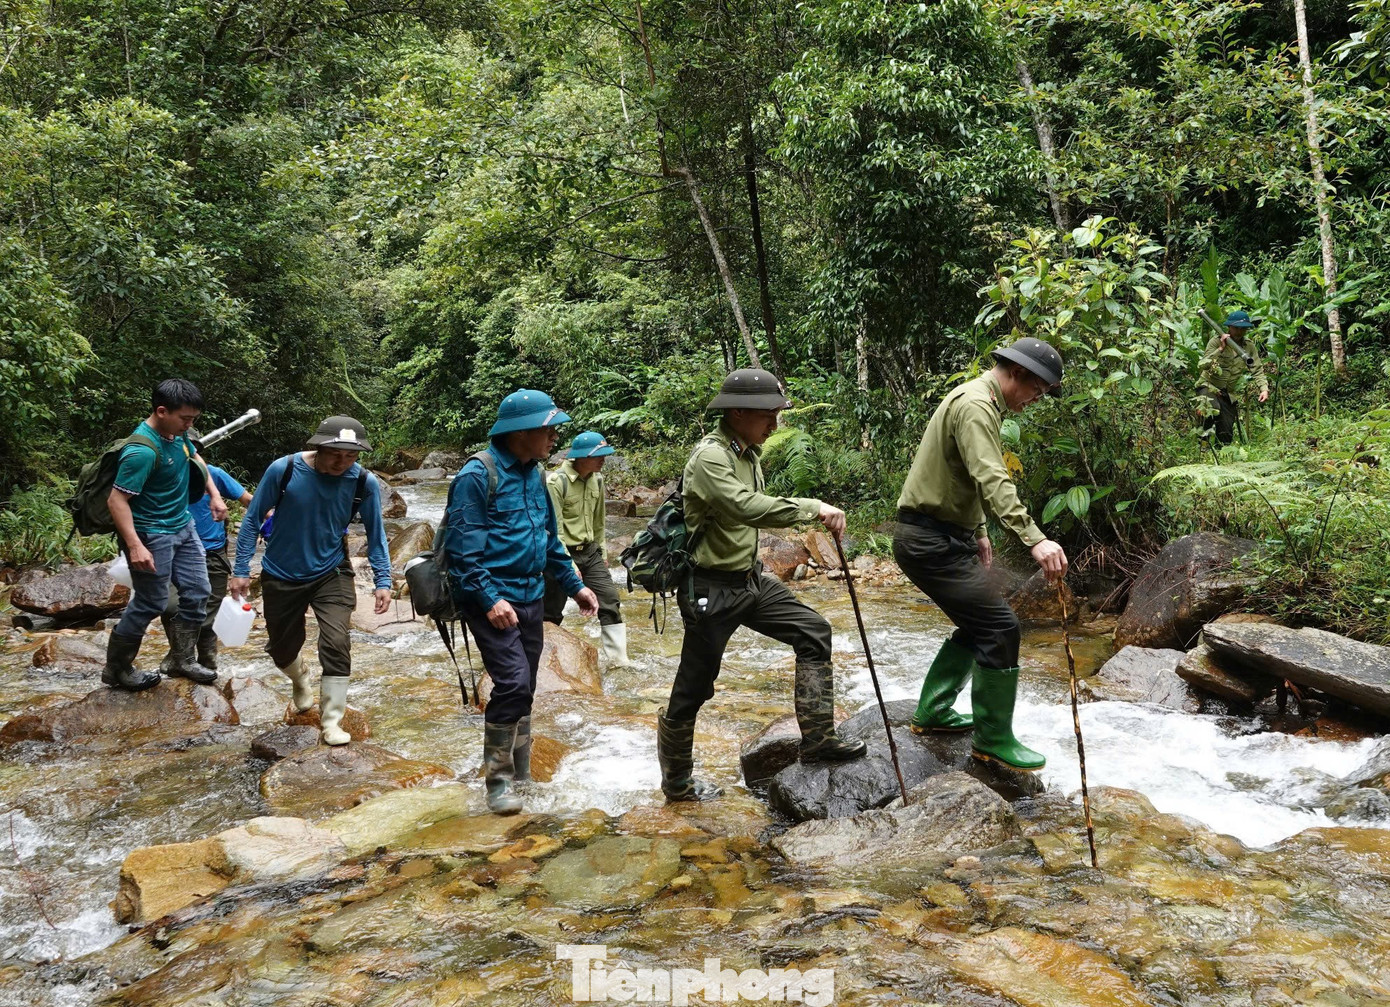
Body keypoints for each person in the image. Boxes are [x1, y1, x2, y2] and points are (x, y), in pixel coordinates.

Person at [659, 368, 866, 805]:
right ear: (737, 412)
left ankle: (818, 741)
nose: (774, 424)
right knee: (694, 688)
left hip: (750, 580)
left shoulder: (747, 452)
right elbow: (745, 507)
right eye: (767, 415)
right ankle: (677, 784)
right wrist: (813, 508)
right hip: (711, 589)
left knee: (814, 631)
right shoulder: (710, 457)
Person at [894, 336, 1068, 772]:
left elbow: (963, 476)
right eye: (1036, 391)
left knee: (982, 623)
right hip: (929, 541)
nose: (1034, 401)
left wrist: (979, 531)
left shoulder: (979, 400)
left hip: (939, 536)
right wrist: (1034, 539)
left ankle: (934, 711)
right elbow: (991, 477)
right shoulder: (976, 406)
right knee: (1000, 628)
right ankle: (992, 739)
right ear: (1018, 373)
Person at [442, 390, 599, 814]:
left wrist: (575, 586)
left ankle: (522, 774)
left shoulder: (536, 475)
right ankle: (498, 782)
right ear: (521, 432)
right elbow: (462, 554)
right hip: (491, 600)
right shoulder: (478, 475)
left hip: (531, 596)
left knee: (525, 687)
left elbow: (549, 540)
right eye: (548, 430)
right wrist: (490, 599)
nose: (555, 438)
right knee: (512, 683)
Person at [229, 416, 391, 746]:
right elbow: (252, 520)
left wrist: (383, 580)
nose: (342, 463)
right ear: (318, 448)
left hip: (332, 571)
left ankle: (331, 722)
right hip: (281, 573)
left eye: (351, 456)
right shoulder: (284, 470)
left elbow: (376, 534)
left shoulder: (364, 482)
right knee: (281, 648)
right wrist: (241, 569)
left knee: (336, 641)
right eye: (335, 455)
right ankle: (299, 677)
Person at [104, 379, 226, 691]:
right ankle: (117, 668)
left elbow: (194, 457)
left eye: (194, 419)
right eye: (185, 418)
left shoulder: (178, 434)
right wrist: (135, 546)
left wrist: (214, 495)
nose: (190, 425)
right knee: (151, 601)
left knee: (199, 591)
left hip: (183, 526)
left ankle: (180, 659)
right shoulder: (141, 451)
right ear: (161, 411)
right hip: (151, 533)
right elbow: (116, 501)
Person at [159, 446, 253, 675]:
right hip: (171, 553)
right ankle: (180, 656)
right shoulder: (160, 475)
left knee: (208, 616)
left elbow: (248, 500)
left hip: (212, 555)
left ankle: (208, 663)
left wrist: (274, 515)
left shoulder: (214, 475)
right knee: (170, 607)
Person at [543, 430, 632, 668]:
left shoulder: (597, 480)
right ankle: (543, 662)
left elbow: (599, 521)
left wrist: (602, 553)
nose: (604, 459)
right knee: (551, 611)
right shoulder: (556, 482)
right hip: (561, 555)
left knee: (610, 600)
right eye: (598, 455)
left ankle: (619, 661)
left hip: (590, 552)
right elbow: (554, 530)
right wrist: (569, 564)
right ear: (582, 457)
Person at [1198, 310, 1268, 446]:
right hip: (1208, 386)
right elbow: (1203, 365)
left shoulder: (1249, 346)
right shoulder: (1215, 341)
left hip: (1227, 393)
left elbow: (1257, 369)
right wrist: (1220, 349)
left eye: (1243, 329)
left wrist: (1264, 389)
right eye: (1236, 328)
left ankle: (1221, 454)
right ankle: (1202, 447)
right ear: (1229, 327)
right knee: (1210, 409)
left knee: (1226, 433)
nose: (1239, 332)